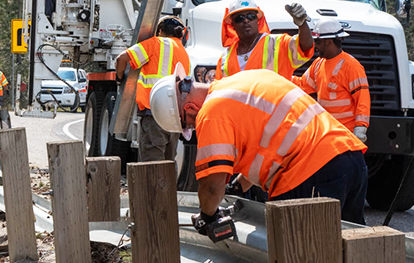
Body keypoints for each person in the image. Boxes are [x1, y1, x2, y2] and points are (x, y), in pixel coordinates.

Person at [148, 68, 368, 225]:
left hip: (310, 172)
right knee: (353, 249)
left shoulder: (211, 114)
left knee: (305, 261)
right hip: (348, 155)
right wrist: (239, 186)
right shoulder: (246, 80)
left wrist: (207, 216)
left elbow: (212, 185)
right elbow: (272, 140)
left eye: (188, 125)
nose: (194, 129)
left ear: (190, 108)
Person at [114, 15, 191, 162]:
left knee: (151, 165)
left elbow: (121, 59)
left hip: (154, 113)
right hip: (175, 118)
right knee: (168, 163)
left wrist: (119, 79)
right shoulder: (184, 53)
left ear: (160, 31)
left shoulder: (157, 43)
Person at [292, 18, 370, 142]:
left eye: (317, 41)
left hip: (346, 135)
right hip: (327, 133)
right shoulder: (318, 64)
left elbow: (362, 99)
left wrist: (360, 129)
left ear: (328, 42)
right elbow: (301, 85)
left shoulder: (351, 66)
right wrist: (279, 76)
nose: (315, 46)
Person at [216, 0, 314, 81]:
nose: (246, 21)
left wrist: (302, 25)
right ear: (232, 25)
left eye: (250, 16)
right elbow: (218, 91)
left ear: (258, 20)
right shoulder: (225, 58)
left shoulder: (277, 43)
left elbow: (305, 46)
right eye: (239, 18)